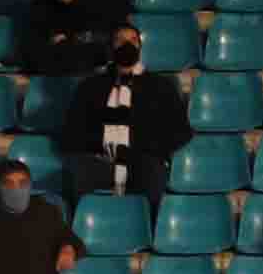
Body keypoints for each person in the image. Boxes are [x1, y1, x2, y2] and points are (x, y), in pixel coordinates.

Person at [58, 28, 188, 201]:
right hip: (100, 160)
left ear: (140, 47)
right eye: (120, 40)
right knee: (79, 174)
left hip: (143, 161)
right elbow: (73, 131)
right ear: (112, 47)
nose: (127, 44)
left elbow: (180, 132)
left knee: (154, 175)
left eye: (133, 40)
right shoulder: (90, 87)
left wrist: (141, 148)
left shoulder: (161, 86)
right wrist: (101, 145)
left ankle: (147, 218)